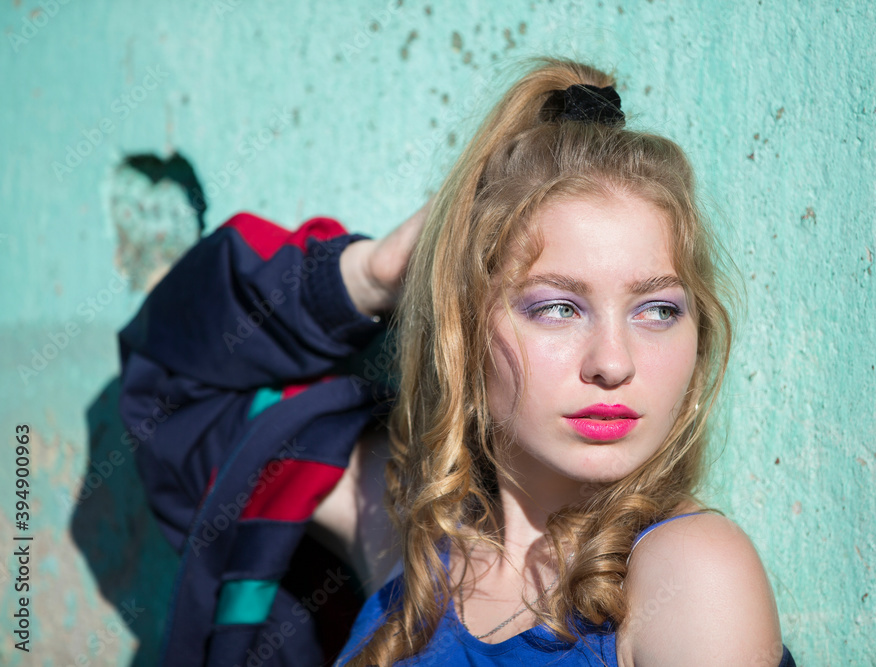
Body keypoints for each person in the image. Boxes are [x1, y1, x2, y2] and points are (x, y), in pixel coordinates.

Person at [118, 58, 795, 666]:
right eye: (557, 307)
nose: (613, 363)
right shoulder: (409, 534)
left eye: (658, 310)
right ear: (464, 332)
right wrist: (372, 273)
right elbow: (171, 392)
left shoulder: (689, 572)